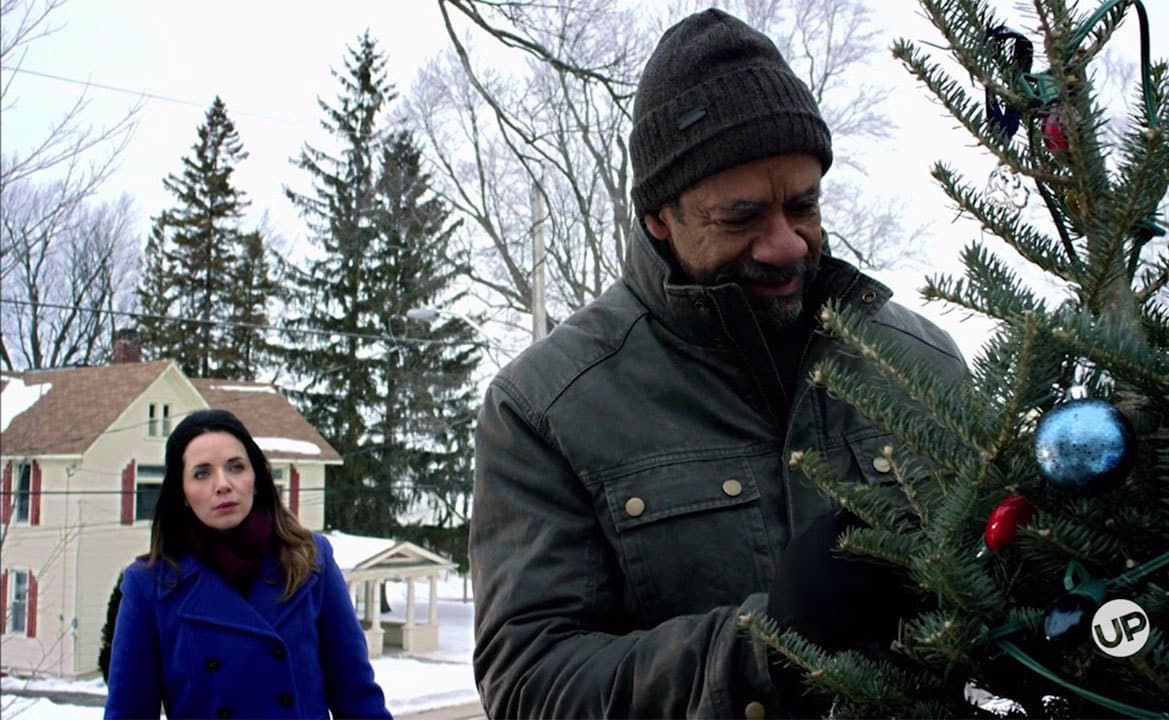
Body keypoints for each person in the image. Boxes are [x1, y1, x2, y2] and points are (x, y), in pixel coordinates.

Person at [470, 8, 969, 719]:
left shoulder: (920, 364)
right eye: (740, 219)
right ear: (658, 218)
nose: (787, 243)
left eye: (804, 205)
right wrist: (763, 650)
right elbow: (529, 685)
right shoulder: (547, 406)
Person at [105, 408, 390, 719]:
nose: (223, 484)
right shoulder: (150, 585)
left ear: (256, 478)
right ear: (182, 493)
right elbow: (128, 712)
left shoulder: (310, 559)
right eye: (202, 473)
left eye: (236, 467)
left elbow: (358, 695)